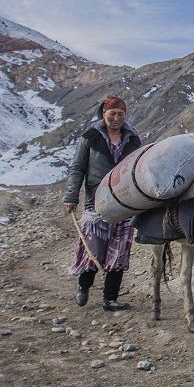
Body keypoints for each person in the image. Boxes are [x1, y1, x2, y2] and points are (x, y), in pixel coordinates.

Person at [63, 95, 142, 311]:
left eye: (120, 115)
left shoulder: (132, 139)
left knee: (120, 249)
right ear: (103, 114)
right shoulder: (90, 137)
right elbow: (77, 168)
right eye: (112, 114)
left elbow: (138, 168)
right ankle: (84, 286)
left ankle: (110, 298)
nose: (116, 118)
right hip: (97, 201)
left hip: (126, 201)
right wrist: (71, 196)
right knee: (93, 247)